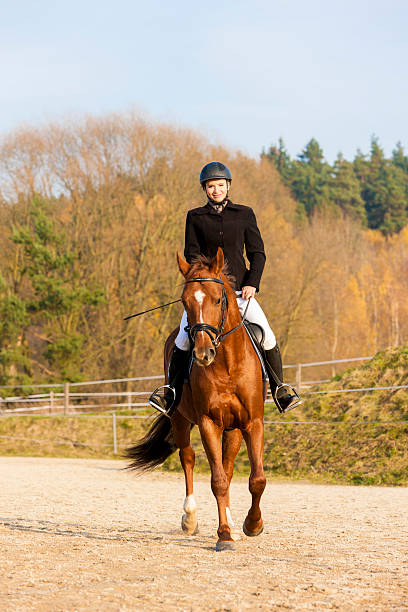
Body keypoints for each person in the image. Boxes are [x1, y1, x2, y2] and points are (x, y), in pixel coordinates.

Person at [150, 162, 302, 416]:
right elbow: (192, 255)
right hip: (207, 296)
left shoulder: (244, 214)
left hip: (241, 292)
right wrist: (199, 288)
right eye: (211, 186)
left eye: (220, 185)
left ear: (228, 186)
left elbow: (258, 254)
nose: (216, 190)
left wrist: (252, 283)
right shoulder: (195, 217)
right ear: (205, 189)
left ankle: (280, 389)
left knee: (267, 334)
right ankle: (172, 393)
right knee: (181, 340)